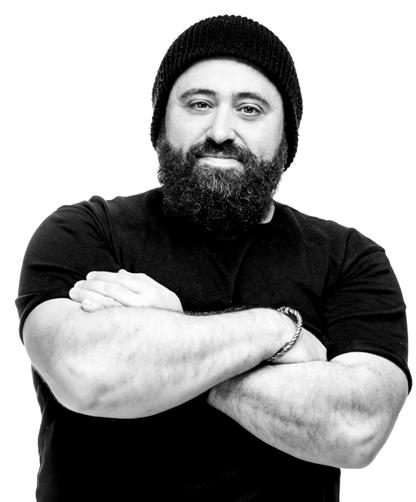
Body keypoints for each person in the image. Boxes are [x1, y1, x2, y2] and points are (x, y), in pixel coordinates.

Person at [16, 14, 411, 502]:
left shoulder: (349, 258)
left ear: (286, 136)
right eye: (199, 103)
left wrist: (167, 342)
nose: (221, 130)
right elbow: (88, 373)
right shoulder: (85, 231)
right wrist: (276, 331)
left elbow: (356, 428)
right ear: (161, 123)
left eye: (250, 109)